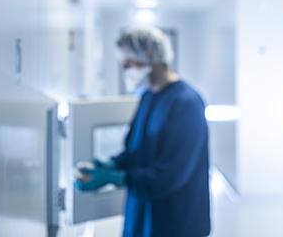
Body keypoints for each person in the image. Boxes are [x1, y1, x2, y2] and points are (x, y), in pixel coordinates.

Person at [75, 28, 211, 237]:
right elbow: (136, 149)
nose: (124, 69)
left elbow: (169, 176)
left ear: (148, 56)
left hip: (175, 223)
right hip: (142, 217)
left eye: (127, 63)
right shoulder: (148, 96)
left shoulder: (187, 104)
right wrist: (112, 164)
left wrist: (116, 178)